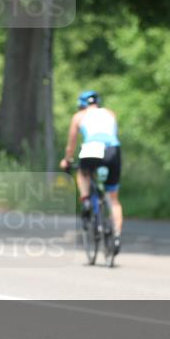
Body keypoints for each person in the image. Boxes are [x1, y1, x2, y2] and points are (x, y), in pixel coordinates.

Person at [59, 90, 123, 254]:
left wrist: (67, 159)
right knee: (114, 199)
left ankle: (86, 199)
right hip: (113, 149)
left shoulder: (79, 116)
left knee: (83, 173)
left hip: (92, 148)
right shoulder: (110, 113)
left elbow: (71, 144)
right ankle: (116, 237)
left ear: (81, 104)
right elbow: (113, 134)